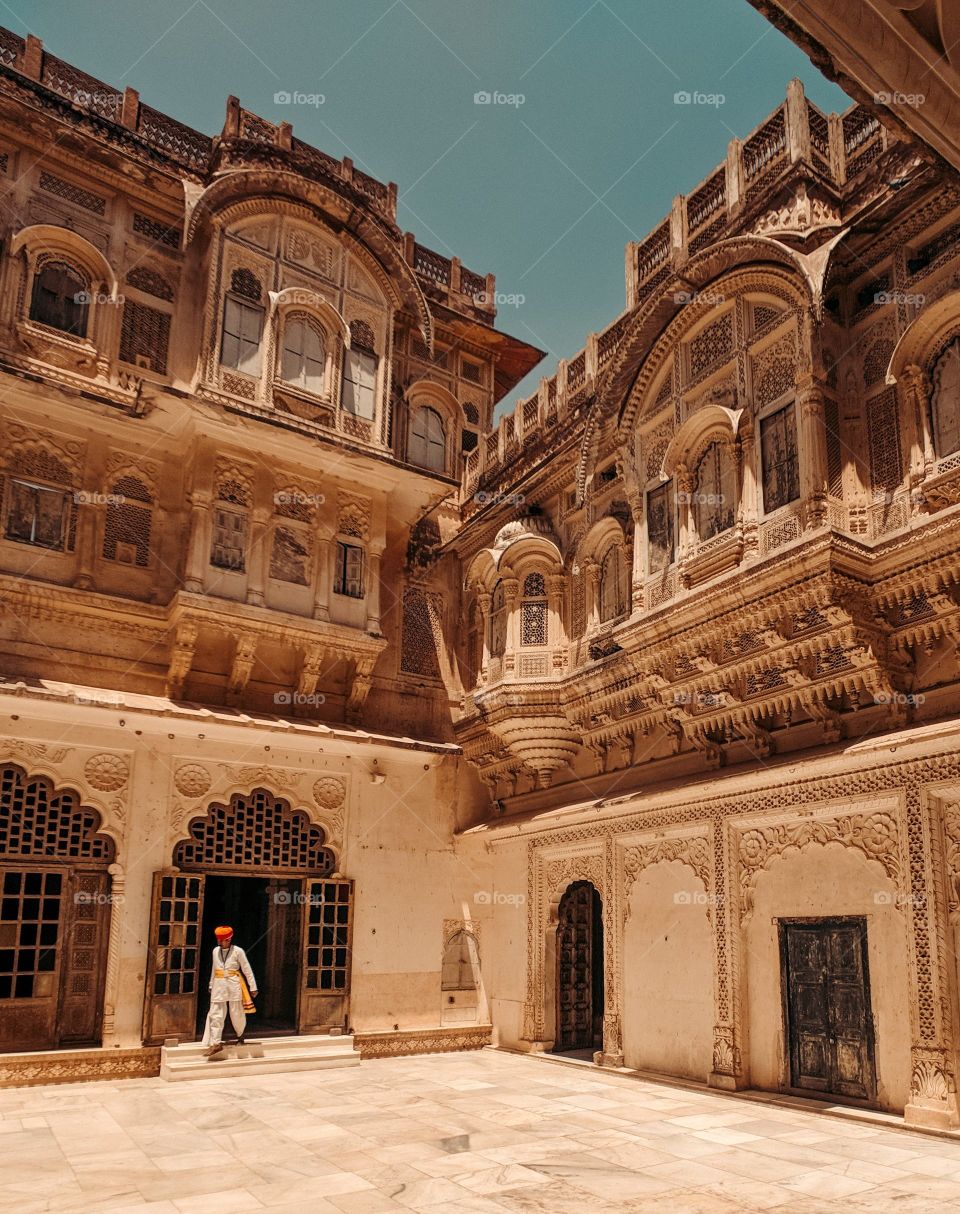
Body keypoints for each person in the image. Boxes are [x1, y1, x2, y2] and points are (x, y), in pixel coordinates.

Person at [201, 925, 257, 1057]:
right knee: (215, 1013)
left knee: (236, 1012)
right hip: (218, 984)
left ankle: (240, 1035)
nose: (219, 942)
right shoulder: (215, 951)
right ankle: (216, 1043)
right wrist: (210, 984)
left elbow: (246, 969)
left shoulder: (238, 951)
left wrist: (253, 986)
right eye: (218, 940)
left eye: (222, 940)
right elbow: (214, 969)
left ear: (229, 939)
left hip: (233, 984)